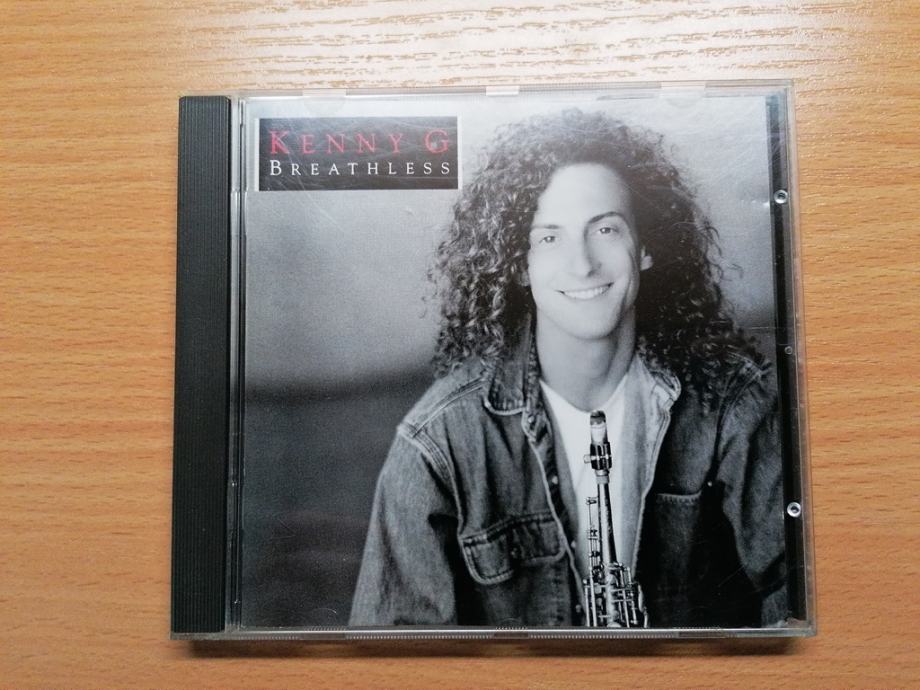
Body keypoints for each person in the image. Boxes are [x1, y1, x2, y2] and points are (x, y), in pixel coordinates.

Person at [350, 109, 786, 628]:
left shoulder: (732, 405)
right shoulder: (438, 443)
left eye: (605, 229)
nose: (583, 264)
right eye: (549, 238)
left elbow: (801, 605)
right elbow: (398, 659)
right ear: (519, 264)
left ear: (646, 246)